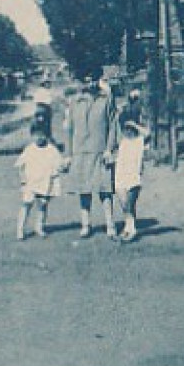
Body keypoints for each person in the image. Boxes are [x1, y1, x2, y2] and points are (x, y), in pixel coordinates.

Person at [62, 71, 118, 240]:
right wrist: (68, 154)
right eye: (86, 80)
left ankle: (110, 225)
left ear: (98, 80)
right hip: (80, 152)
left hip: (100, 150)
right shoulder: (74, 102)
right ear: (81, 82)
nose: (90, 83)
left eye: (93, 79)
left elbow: (113, 125)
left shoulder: (106, 99)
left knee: (105, 190)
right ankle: (86, 225)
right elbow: (69, 130)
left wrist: (109, 149)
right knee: (83, 189)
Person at [15, 127, 62, 240]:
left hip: (44, 183)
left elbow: (59, 165)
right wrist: (23, 180)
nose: (39, 137)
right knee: (26, 204)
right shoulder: (29, 149)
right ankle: (20, 230)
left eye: (42, 135)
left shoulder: (52, 150)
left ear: (47, 136)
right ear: (32, 136)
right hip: (30, 183)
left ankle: (39, 227)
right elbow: (20, 166)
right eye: (36, 135)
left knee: (42, 205)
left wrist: (63, 166)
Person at [113, 118, 148, 242]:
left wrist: (134, 124)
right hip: (120, 176)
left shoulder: (139, 141)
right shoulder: (122, 141)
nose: (128, 131)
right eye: (126, 129)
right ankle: (128, 228)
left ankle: (131, 230)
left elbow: (147, 133)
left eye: (130, 129)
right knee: (124, 205)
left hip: (133, 176)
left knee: (129, 204)